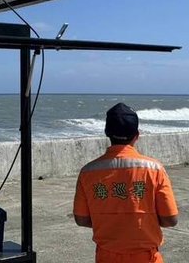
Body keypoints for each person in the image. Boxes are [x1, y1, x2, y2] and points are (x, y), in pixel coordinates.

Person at [73, 103, 179, 263]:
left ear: (107, 133)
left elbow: (81, 219)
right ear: (137, 135)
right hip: (146, 258)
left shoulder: (88, 172)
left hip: (106, 257)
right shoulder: (154, 169)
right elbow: (170, 219)